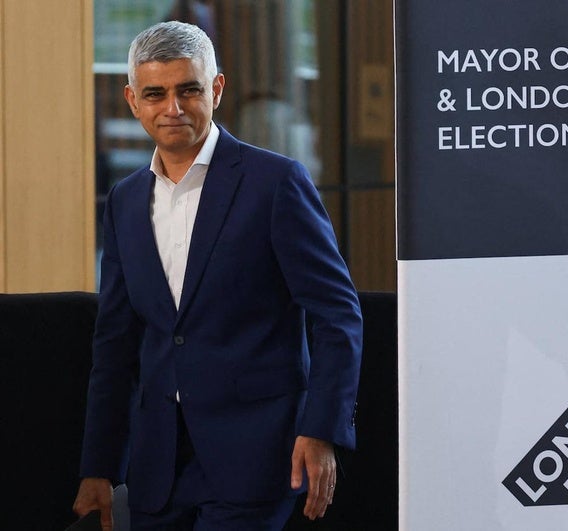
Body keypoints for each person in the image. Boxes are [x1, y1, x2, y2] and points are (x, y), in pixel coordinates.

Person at [72, 21, 362, 531]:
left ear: (217, 89)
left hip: (259, 453)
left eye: (189, 90)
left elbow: (337, 316)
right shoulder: (124, 201)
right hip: (157, 464)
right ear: (133, 101)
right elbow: (115, 342)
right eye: (155, 94)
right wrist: (99, 465)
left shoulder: (276, 183)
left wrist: (321, 431)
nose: (173, 108)